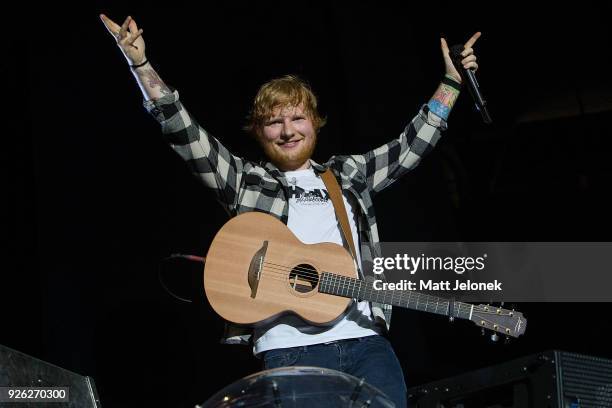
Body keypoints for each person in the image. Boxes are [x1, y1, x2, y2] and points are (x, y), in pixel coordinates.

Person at [100, 13, 480, 407]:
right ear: (258, 130)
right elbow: (183, 131)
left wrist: (452, 82)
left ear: (315, 124)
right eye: (274, 122)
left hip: (366, 341)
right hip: (289, 349)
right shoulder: (245, 180)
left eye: (298, 118)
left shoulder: (348, 175)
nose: (287, 131)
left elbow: (414, 142)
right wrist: (140, 65)